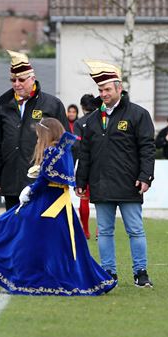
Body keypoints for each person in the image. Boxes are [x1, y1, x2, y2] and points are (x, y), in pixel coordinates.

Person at [0, 118, 116, 296]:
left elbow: (46, 179)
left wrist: (30, 190)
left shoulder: (52, 151)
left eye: (38, 135)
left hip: (48, 205)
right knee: (36, 235)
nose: (37, 139)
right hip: (58, 206)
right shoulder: (63, 150)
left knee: (12, 225)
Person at [76, 60, 156, 288]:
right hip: (100, 185)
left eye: (107, 90)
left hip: (130, 183)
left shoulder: (138, 114)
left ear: (119, 88)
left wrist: (145, 176)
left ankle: (140, 272)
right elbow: (86, 153)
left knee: (135, 230)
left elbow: (147, 148)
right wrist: (81, 180)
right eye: (100, 90)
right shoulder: (90, 120)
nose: (103, 94)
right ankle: (108, 273)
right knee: (105, 232)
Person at [0, 50, 69, 211]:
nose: (16, 83)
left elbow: (66, 142)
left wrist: (58, 173)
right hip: (11, 178)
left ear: (32, 79)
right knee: (14, 226)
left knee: (38, 228)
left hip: (41, 180)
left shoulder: (51, 104)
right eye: (13, 80)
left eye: (21, 79)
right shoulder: (4, 106)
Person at [74, 94, 97, 239]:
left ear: (82, 107)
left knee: (84, 198)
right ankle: (100, 231)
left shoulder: (79, 123)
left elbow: (76, 145)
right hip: (101, 163)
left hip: (85, 164)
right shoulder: (101, 120)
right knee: (102, 198)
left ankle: (86, 230)